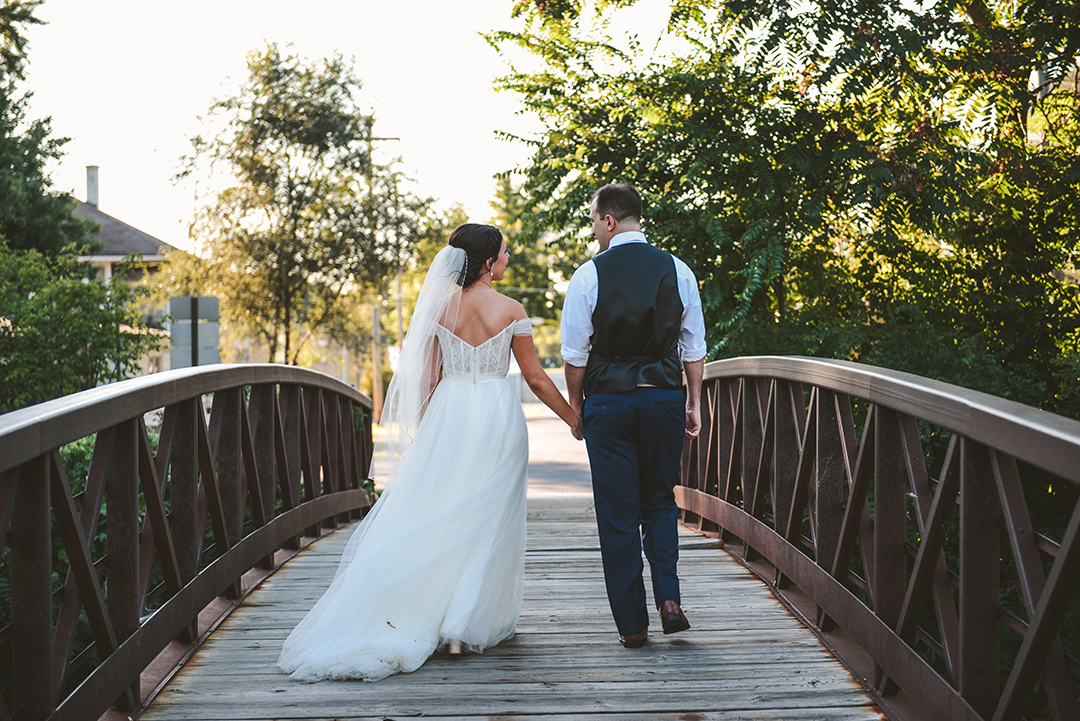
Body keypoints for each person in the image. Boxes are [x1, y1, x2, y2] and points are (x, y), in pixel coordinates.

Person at [278, 223, 583, 681]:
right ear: (486, 263)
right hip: (496, 416)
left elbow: (427, 379)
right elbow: (537, 379)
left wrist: (426, 431)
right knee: (489, 518)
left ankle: (432, 614)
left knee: (446, 510)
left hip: (450, 412)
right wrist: (574, 419)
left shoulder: (439, 309)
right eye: (502, 255)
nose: (506, 261)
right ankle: (462, 626)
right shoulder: (512, 309)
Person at [560, 182, 706, 648]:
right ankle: (669, 599)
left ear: (609, 221)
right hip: (662, 398)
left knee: (618, 512)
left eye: (592, 221)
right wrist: (693, 401)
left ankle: (632, 625)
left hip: (610, 404)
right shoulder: (678, 269)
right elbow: (693, 346)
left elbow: (574, 355)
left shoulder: (589, 275)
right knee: (660, 500)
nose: (593, 231)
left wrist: (577, 408)